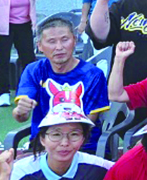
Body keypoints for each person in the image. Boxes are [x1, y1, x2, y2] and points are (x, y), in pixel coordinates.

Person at [12, 17, 111, 154]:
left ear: (74, 41)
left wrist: (61, 145)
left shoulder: (93, 74)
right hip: (43, 146)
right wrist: (20, 111)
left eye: (65, 40)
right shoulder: (33, 70)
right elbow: (21, 116)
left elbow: (88, 122)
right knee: (8, 167)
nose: (59, 47)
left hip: (83, 146)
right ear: (40, 46)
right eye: (51, 41)